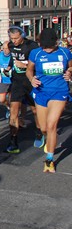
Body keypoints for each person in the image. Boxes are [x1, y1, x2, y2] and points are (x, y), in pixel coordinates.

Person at [27, 28, 72, 173]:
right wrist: (31, 79)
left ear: (56, 42)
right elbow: (29, 70)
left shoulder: (65, 52)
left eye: (49, 47)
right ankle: (49, 138)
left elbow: (71, 66)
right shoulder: (36, 53)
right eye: (44, 47)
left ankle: (49, 160)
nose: (46, 50)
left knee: (52, 125)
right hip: (41, 92)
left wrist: (69, 72)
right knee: (44, 128)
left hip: (59, 91)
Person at [6, 26, 40, 154]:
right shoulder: (11, 45)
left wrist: (25, 65)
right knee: (14, 110)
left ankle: (39, 132)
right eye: (12, 38)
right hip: (17, 82)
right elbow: (12, 59)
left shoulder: (32, 46)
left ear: (22, 35)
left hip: (31, 81)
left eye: (16, 38)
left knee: (35, 110)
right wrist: (9, 67)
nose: (14, 41)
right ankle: (13, 141)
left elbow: (39, 63)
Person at [0, 42, 12, 122]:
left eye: (7, 48)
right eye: (4, 48)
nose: (5, 50)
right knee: (2, 99)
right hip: (3, 80)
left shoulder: (13, 55)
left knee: (12, 99)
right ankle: (8, 107)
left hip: (13, 80)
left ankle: (13, 114)